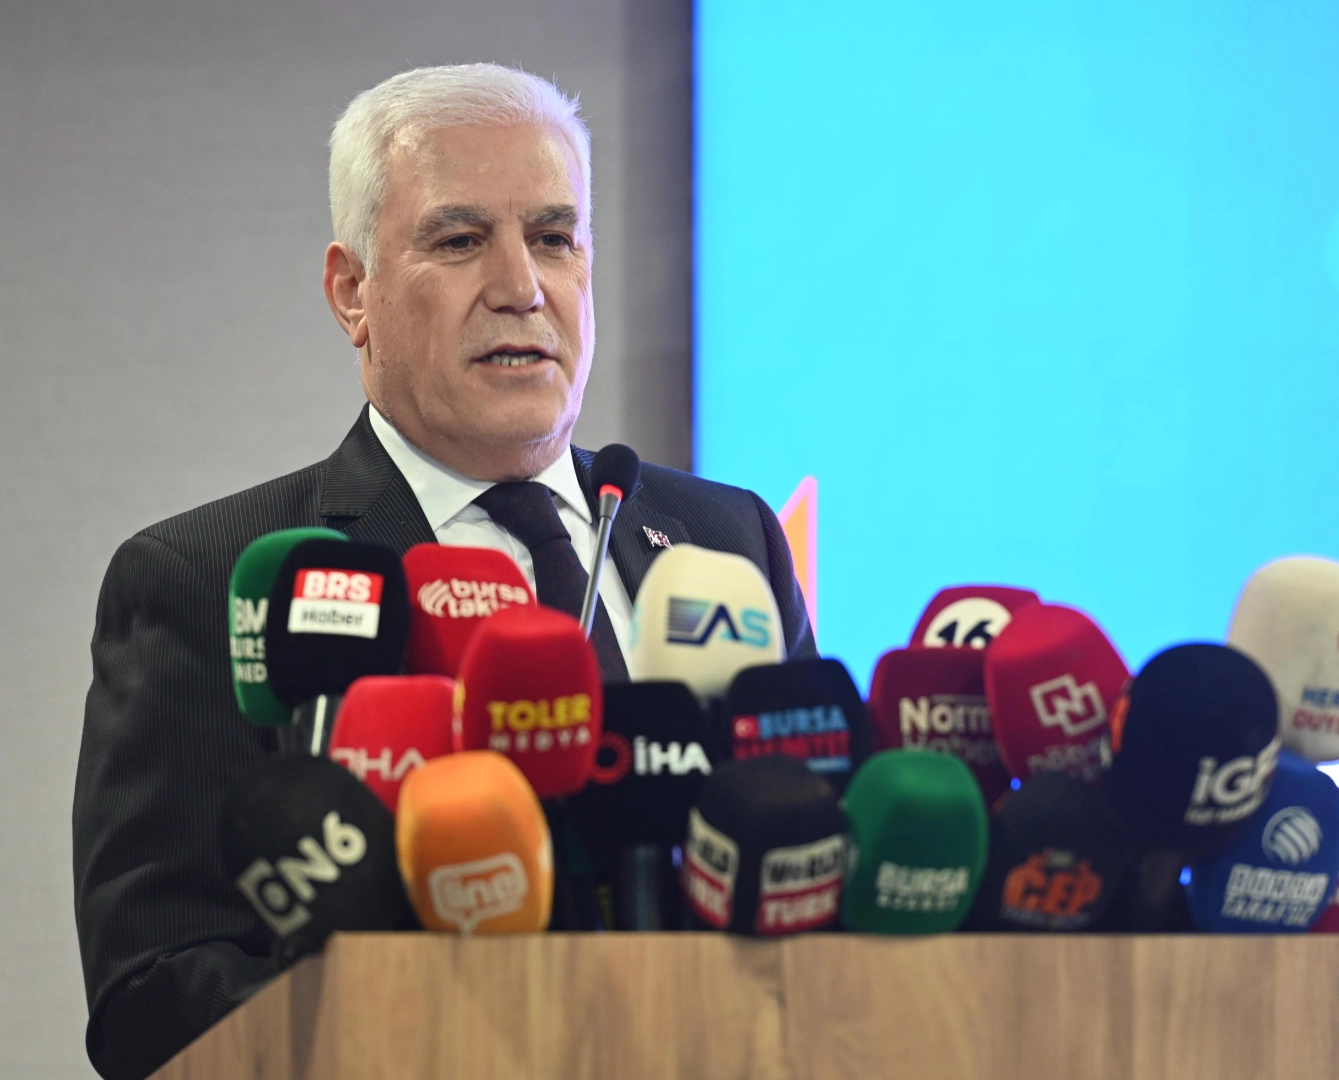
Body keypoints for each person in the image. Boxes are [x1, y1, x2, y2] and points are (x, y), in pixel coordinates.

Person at [71, 63, 813, 1080]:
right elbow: (153, 998)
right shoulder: (205, 578)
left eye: (553, 237)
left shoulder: (728, 541)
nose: (521, 287)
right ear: (353, 292)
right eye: (461, 240)